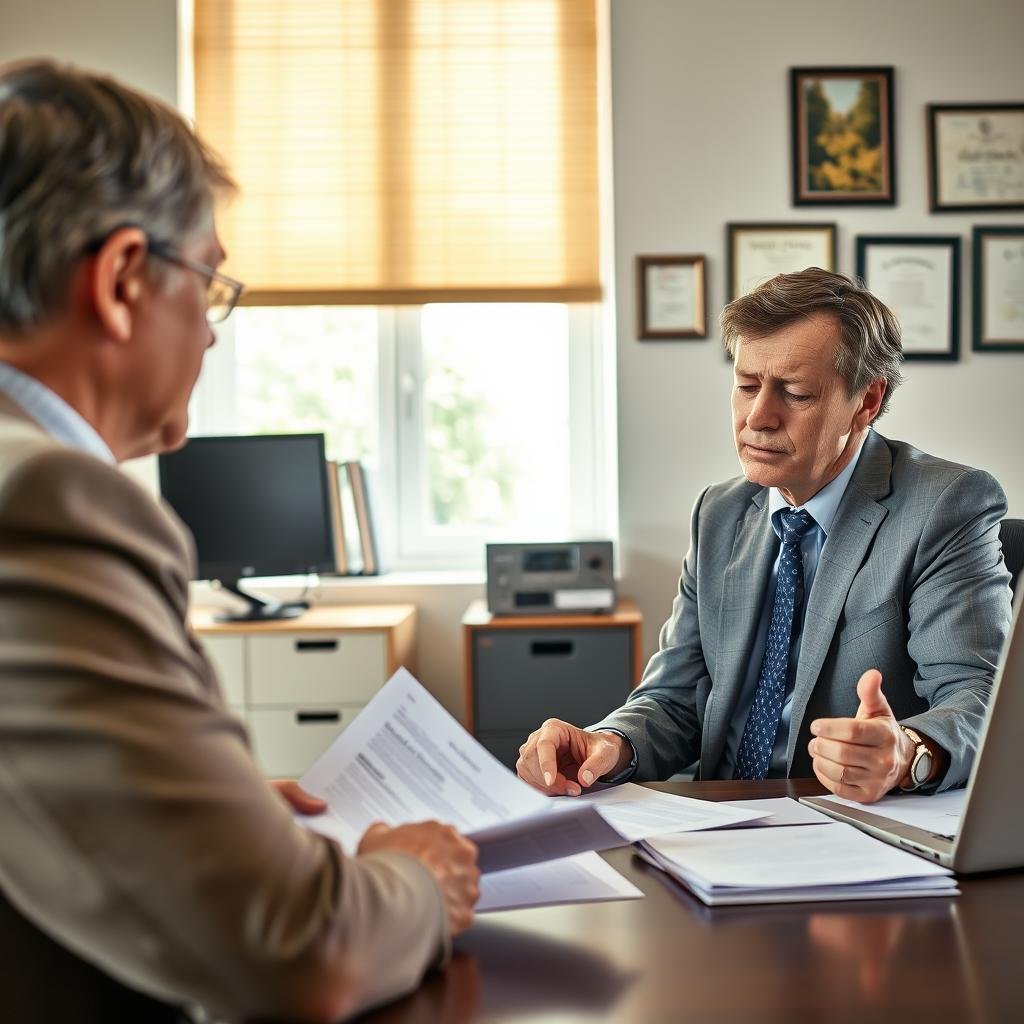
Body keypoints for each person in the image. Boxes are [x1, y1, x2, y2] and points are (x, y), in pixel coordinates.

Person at [0, 60, 478, 1023]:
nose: (214, 335)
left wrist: (194, 806)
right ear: (124, 278)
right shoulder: (48, 499)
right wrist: (415, 875)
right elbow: (302, 951)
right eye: (210, 284)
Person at [518, 268, 1013, 805]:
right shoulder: (720, 511)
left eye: (795, 393)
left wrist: (909, 753)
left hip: (846, 824)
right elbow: (676, 696)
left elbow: (981, 696)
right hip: (712, 821)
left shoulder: (944, 505)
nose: (758, 417)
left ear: (867, 401)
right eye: (747, 386)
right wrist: (608, 742)